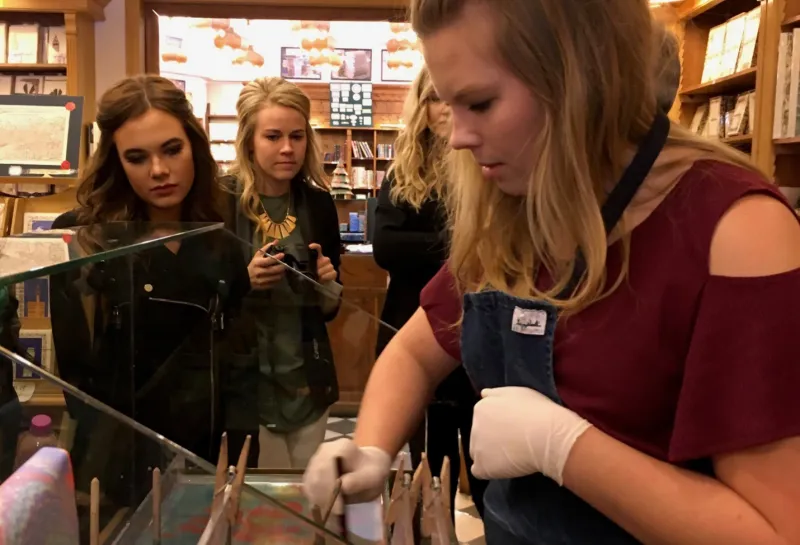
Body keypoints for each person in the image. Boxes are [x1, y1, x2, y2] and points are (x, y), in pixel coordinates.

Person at [304, 1, 800, 544]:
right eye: (449, 104)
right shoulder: (521, 205)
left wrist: (562, 447)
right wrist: (371, 449)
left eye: (481, 103)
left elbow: (773, 532)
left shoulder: (737, 230)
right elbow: (415, 352)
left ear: (580, 77)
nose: (457, 137)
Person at [49, 75, 252, 478]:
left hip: (205, 452)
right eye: (137, 157)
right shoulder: (84, 237)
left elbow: (238, 367)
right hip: (117, 457)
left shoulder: (221, 236)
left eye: (172, 150)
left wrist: (239, 456)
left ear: (194, 145)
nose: (159, 170)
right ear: (117, 161)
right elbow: (77, 376)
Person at [373, 66, 485, 516]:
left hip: (476, 330)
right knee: (427, 466)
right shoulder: (403, 172)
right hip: (412, 324)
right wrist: (462, 246)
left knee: (484, 461)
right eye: (436, 98)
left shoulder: (485, 162)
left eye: (455, 98)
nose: (445, 109)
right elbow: (387, 248)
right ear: (421, 106)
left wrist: (431, 249)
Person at [223, 77, 342, 469]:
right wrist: (245, 280)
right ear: (249, 141)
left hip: (307, 379)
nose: (288, 148)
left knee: (305, 495)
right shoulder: (218, 201)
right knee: (257, 497)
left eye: (297, 136)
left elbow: (330, 309)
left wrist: (327, 283)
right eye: (273, 136)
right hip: (244, 385)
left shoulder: (319, 204)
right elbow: (200, 294)